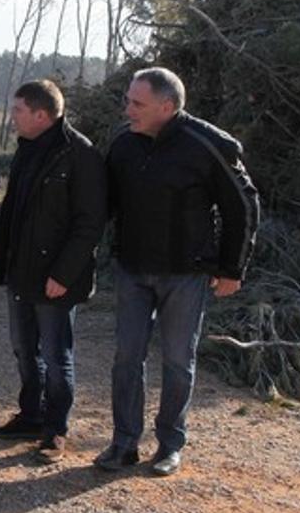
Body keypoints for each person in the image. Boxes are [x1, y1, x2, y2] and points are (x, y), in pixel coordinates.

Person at [94, 67, 259, 477]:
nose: (127, 109)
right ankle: (124, 443)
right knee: (126, 358)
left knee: (177, 361)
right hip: (132, 269)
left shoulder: (208, 145)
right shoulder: (123, 144)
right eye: (128, 100)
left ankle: (169, 445)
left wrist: (231, 268)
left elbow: (243, 205)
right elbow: (103, 204)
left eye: (137, 103)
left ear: (166, 107)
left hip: (186, 273)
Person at [0, 80, 107, 462]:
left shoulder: (80, 154)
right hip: (22, 272)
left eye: (18, 110)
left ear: (41, 114)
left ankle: (56, 430)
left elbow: (90, 224)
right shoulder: (26, 149)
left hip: (56, 279)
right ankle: (31, 415)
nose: (13, 117)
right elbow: (12, 212)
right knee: (24, 349)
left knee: (56, 355)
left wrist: (64, 275)